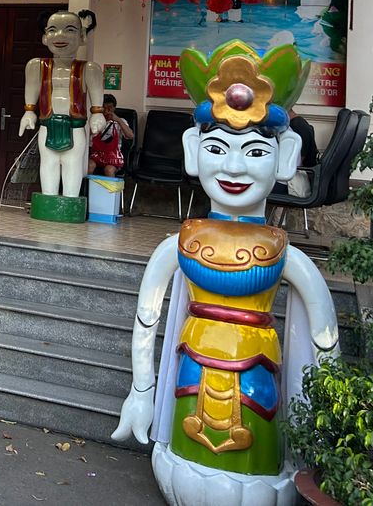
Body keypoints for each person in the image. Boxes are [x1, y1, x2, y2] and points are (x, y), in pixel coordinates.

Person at [111, 41, 339, 506]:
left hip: (258, 379)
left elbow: (324, 340)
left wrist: (321, 419)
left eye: (254, 151)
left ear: (286, 156)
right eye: (217, 148)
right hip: (192, 373)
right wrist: (141, 391)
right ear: (193, 151)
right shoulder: (178, 245)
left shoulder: (285, 255)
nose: (233, 167)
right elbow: (147, 320)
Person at [18, 10, 105, 209]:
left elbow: (96, 97)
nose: (60, 36)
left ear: (82, 37)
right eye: (52, 30)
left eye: (70, 30)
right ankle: (49, 202)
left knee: (72, 164)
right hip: (47, 125)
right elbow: (31, 90)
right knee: (48, 162)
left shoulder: (89, 69)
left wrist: (97, 114)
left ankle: (70, 203)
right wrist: (29, 111)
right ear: (44, 37)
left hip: (75, 127)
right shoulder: (36, 66)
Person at [88, 94, 134, 177]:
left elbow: (131, 136)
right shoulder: (95, 120)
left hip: (113, 156)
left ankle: (110, 186)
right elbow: (88, 135)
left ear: (114, 108)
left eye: (109, 108)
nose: (106, 110)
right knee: (89, 166)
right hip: (97, 154)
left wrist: (118, 120)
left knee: (109, 170)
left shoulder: (121, 121)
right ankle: (88, 185)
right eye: (104, 108)